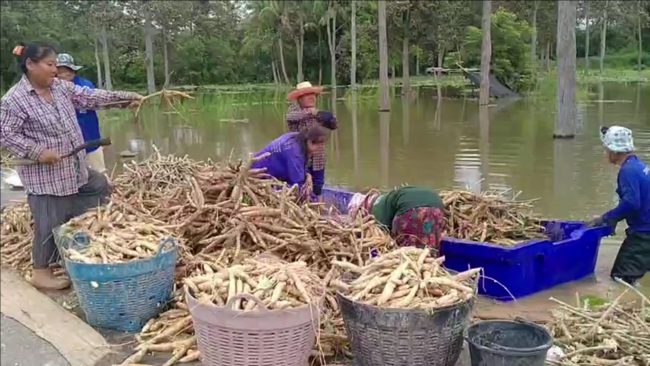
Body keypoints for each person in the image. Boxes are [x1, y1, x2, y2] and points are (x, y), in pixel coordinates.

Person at [0, 42, 143, 290]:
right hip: (46, 176)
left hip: (73, 168)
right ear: (31, 65)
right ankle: (41, 271)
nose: (55, 70)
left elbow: (89, 97)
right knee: (47, 220)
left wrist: (124, 99)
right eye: (50, 64)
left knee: (97, 185)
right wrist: (38, 151)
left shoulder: (59, 87)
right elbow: (5, 134)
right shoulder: (15, 100)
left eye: (56, 64)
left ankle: (77, 239)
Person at [588, 126, 650, 286]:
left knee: (621, 277)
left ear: (615, 151)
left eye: (606, 149)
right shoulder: (638, 166)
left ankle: (632, 306)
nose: (605, 154)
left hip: (644, 235)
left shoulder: (628, 171)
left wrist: (608, 218)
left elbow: (631, 203)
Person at [348, 186, 447, 252]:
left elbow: (383, 233)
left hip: (412, 210)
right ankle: (432, 261)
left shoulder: (375, 209)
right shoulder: (384, 199)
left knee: (405, 248)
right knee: (431, 240)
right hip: (437, 204)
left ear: (363, 208)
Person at [56, 53, 107, 173]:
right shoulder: (50, 89)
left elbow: (98, 100)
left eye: (68, 70)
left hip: (91, 141)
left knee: (99, 174)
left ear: (73, 71)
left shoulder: (85, 86)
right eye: (60, 71)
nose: (64, 74)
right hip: (67, 147)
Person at [251, 125, 329, 201]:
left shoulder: (296, 137)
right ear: (311, 142)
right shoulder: (295, 153)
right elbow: (297, 186)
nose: (320, 150)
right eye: (319, 147)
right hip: (259, 177)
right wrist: (315, 200)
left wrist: (307, 175)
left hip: (268, 171)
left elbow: (300, 169)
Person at [286, 81, 337, 189]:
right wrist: (314, 112)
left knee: (318, 185)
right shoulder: (293, 111)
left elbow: (334, 126)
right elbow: (293, 117)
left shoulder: (318, 114)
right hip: (301, 158)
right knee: (302, 186)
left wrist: (330, 120)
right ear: (299, 99)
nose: (312, 97)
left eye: (313, 94)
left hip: (318, 158)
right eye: (307, 95)